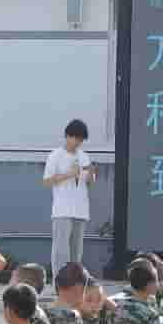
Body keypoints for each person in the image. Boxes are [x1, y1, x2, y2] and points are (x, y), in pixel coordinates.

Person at [43, 118, 96, 279]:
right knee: (60, 252)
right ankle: (59, 285)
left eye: (81, 139)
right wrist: (69, 174)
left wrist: (91, 174)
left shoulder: (84, 156)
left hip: (80, 210)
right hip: (62, 210)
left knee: (76, 253)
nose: (78, 142)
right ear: (68, 135)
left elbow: (90, 183)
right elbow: (46, 181)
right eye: (76, 138)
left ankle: (74, 285)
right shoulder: (56, 155)